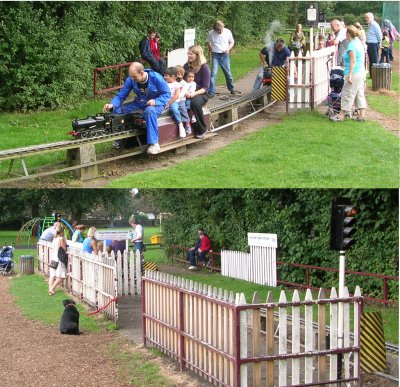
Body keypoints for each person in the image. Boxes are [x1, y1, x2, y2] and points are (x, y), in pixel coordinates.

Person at [103, 62, 171, 154]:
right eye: (130, 76)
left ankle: (154, 144)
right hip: (140, 102)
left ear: (142, 73)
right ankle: (118, 140)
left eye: (134, 76)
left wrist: (155, 101)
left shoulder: (156, 77)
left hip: (156, 104)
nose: (132, 79)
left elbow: (167, 94)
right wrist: (112, 104)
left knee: (149, 111)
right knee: (116, 110)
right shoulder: (131, 79)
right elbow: (121, 95)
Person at [330, 25, 366, 122]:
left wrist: (349, 75)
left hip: (354, 73)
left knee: (347, 93)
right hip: (361, 71)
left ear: (348, 34)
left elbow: (352, 61)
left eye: (346, 33)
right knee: (359, 93)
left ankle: (341, 116)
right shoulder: (358, 42)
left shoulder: (352, 45)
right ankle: (361, 116)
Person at [183, 45, 211, 139]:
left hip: (201, 93)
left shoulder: (204, 68)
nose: (189, 55)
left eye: (191, 54)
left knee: (194, 103)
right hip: (187, 91)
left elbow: (205, 88)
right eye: (188, 53)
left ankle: (202, 129)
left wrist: (193, 94)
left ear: (197, 55)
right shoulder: (186, 66)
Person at [207, 20, 238, 98]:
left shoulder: (227, 32)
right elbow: (208, 42)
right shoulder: (211, 33)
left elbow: (232, 42)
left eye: (221, 30)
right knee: (213, 74)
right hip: (215, 55)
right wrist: (211, 50)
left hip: (225, 55)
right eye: (218, 30)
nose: (220, 31)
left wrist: (228, 49)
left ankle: (231, 88)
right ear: (215, 29)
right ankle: (211, 92)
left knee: (228, 73)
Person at [164, 67, 186, 138]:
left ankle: (180, 124)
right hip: (165, 100)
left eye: (166, 75)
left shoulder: (176, 84)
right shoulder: (165, 83)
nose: (165, 77)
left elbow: (176, 96)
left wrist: (169, 103)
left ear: (173, 76)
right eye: (164, 75)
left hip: (173, 101)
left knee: (174, 109)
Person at [48, 224, 67, 296]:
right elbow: (64, 248)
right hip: (59, 258)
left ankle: (50, 290)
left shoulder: (54, 239)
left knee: (52, 275)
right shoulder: (60, 239)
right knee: (61, 276)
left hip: (53, 257)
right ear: (62, 231)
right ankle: (52, 289)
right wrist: (64, 240)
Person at [175, 65, 192, 135]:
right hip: (173, 99)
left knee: (182, 108)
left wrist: (177, 97)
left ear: (182, 75)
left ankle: (187, 123)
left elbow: (183, 93)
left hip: (181, 99)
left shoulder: (184, 84)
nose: (178, 76)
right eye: (176, 74)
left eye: (180, 74)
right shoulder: (173, 82)